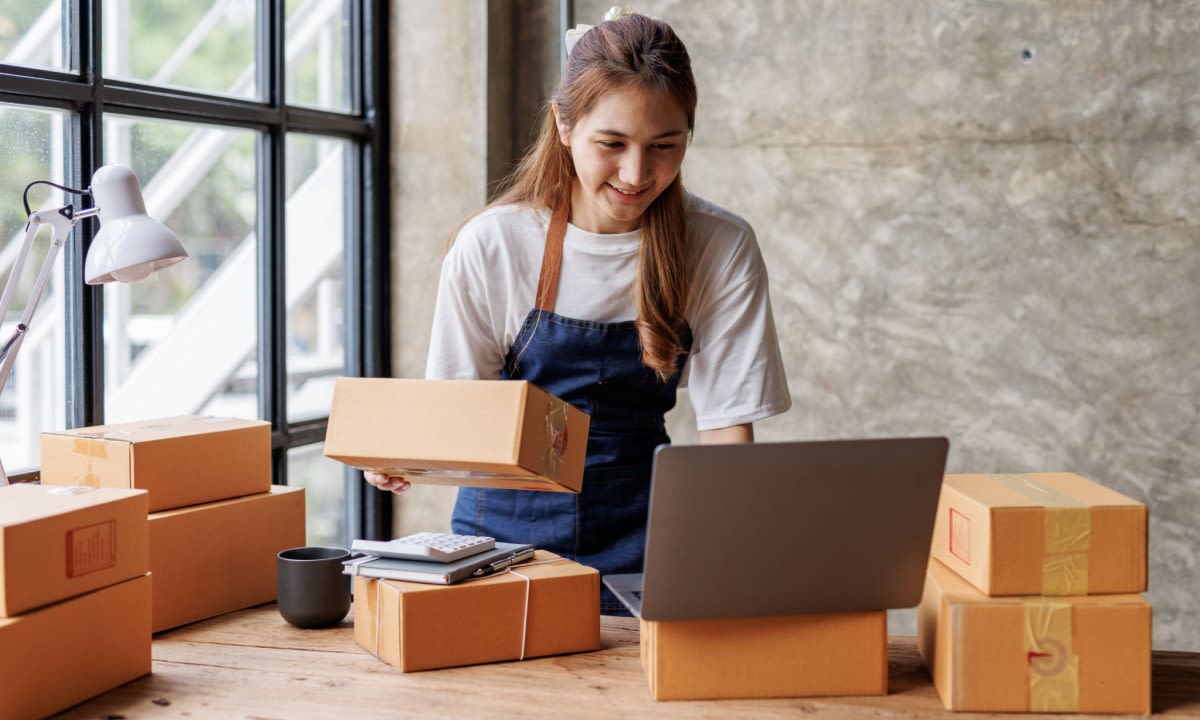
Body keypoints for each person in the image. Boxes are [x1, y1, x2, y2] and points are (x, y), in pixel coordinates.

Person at [366, 9, 791, 614]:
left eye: (664, 146)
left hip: (650, 545)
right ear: (563, 124)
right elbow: (460, 419)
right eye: (611, 144)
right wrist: (401, 460)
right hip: (498, 551)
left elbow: (727, 432)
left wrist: (725, 566)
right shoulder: (494, 244)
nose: (637, 174)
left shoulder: (719, 245)